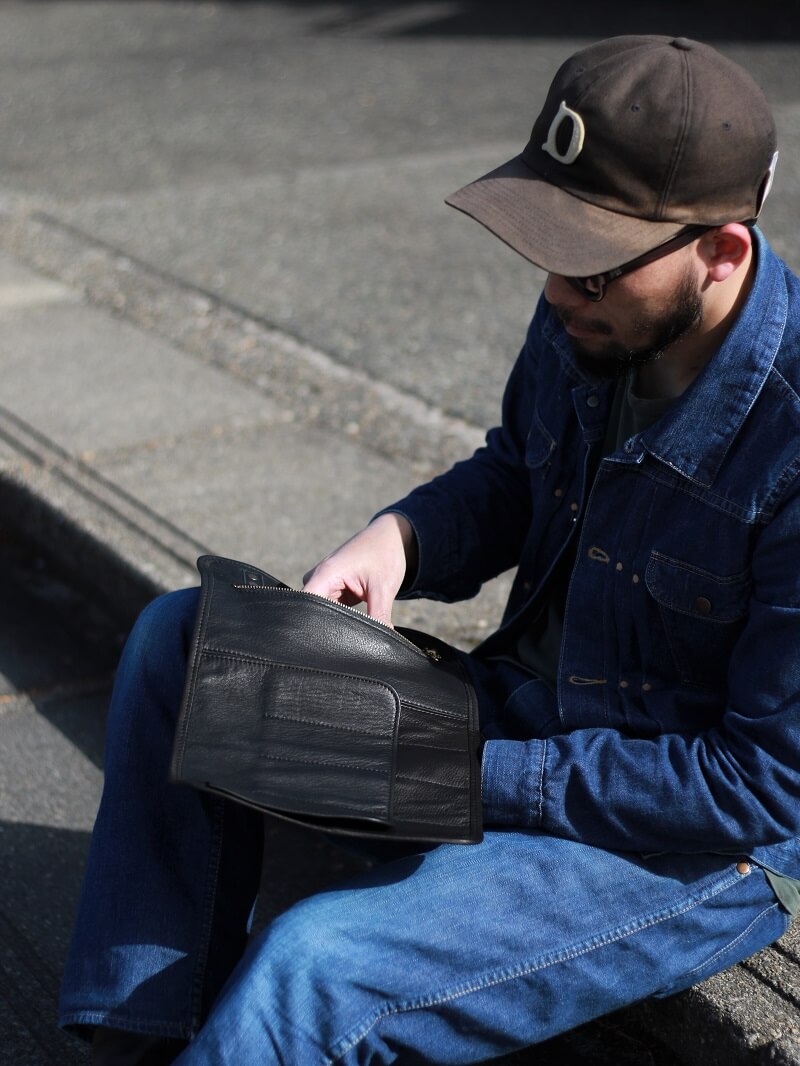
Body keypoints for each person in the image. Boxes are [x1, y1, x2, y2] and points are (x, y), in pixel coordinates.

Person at [61, 34, 800, 1065]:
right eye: (547, 246)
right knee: (186, 643)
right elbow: (512, 471)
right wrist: (400, 539)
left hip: (679, 848)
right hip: (502, 725)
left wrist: (463, 772)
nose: (553, 290)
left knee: (314, 962)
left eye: (587, 265)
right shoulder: (600, 313)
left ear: (717, 251)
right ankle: (140, 1032)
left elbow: (761, 787)